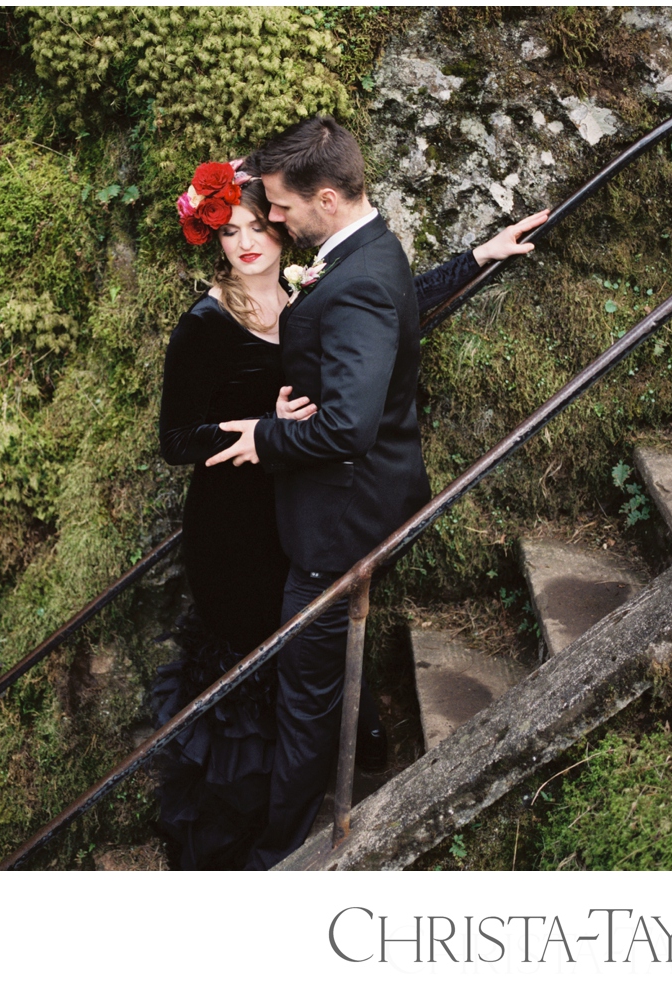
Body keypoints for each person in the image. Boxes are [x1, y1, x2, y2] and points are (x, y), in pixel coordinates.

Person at [206, 116, 549, 869]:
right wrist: (476, 258)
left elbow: (349, 428)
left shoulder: (354, 277)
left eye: (283, 208)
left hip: (340, 525)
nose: (275, 221)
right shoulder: (371, 247)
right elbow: (397, 306)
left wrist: (265, 437)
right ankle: (362, 744)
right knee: (317, 673)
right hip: (367, 503)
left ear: (326, 197)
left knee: (304, 697)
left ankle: (281, 854)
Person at [153, 161, 316, 870]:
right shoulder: (205, 324)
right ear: (214, 237)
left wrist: (479, 257)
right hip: (228, 534)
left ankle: (290, 818)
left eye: (257, 226)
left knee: (294, 664)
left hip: (293, 521)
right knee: (243, 678)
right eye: (231, 230)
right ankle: (226, 847)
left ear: (282, 228)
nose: (246, 243)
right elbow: (175, 440)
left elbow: (393, 306)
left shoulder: (306, 300)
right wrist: (260, 426)